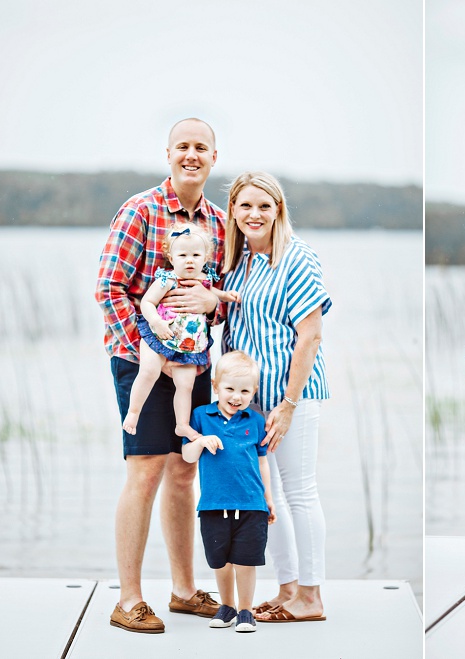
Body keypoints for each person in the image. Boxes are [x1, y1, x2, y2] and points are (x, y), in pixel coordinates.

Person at [95, 118, 224, 633]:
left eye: (202, 147)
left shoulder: (219, 222)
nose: (192, 155)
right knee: (145, 470)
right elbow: (110, 289)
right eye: (183, 147)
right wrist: (155, 349)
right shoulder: (140, 210)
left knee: (184, 471)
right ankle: (128, 599)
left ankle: (184, 591)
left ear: (215, 156)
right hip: (142, 359)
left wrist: (213, 305)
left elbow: (219, 296)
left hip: (196, 362)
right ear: (168, 154)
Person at [219, 171, 331, 622]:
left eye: (264, 205)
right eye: (245, 206)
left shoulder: (296, 258)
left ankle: (311, 596)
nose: (254, 214)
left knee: (300, 491)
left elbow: (310, 337)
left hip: (292, 396)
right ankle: (288, 590)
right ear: (233, 212)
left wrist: (286, 405)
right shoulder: (242, 260)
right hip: (251, 398)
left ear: (278, 209)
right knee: (273, 498)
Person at [183, 351, 276, 631]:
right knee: (220, 561)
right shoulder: (201, 416)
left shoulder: (256, 420)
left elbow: (262, 461)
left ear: (254, 392)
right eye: (230, 389)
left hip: (251, 504)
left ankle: (246, 610)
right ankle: (227, 606)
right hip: (213, 503)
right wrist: (200, 442)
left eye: (245, 390)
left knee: (246, 561)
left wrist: (268, 499)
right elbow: (187, 455)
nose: (237, 396)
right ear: (216, 386)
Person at [122, 222, 239, 439]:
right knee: (149, 371)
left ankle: (182, 424)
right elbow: (147, 302)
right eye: (183, 255)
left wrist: (225, 296)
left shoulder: (204, 279)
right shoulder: (167, 280)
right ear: (171, 257)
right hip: (160, 335)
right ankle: (133, 412)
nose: (189, 260)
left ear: (205, 258)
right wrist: (156, 321)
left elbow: (213, 290)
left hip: (189, 344)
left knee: (186, 385)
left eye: (196, 254)